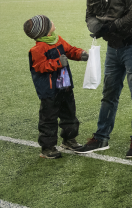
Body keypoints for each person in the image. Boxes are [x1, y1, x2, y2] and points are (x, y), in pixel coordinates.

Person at [70, 0, 132, 158]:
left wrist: (111, 27)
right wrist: (94, 26)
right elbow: (89, 14)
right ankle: (101, 137)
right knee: (109, 93)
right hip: (114, 47)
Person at [25, 15, 89, 159]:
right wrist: (58, 63)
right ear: (45, 30)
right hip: (49, 91)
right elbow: (40, 67)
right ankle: (47, 148)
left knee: (69, 114)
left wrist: (81, 54)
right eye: (49, 22)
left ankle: (69, 140)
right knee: (48, 119)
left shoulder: (57, 39)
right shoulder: (37, 49)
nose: (53, 22)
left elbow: (70, 50)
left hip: (65, 86)